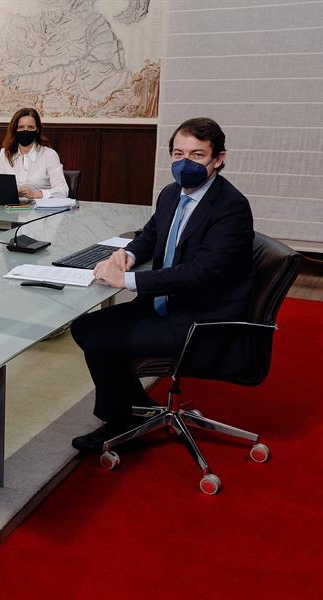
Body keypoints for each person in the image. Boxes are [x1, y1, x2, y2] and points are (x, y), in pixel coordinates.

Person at [69, 117, 255, 452]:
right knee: (83, 327)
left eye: (197, 155)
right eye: (178, 153)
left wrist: (127, 279)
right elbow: (150, 236)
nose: (185, 163)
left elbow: (199, 273)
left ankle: (120, 422)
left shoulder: (231, 208)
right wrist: (127, 253)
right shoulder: (171, 195)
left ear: (219, 159)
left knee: (101, 343)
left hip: (201, 318)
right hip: (164, 304)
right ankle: (133, 404)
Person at [0, 107, 69, 200]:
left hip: (40, 210)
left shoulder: (49, 155)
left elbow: (62, 191)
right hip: (11, 209)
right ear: (14, 130)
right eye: (21, 127)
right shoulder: (5, 153)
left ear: (37, 130)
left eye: (30, 127)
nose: (26, 131)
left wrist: (35, 194)